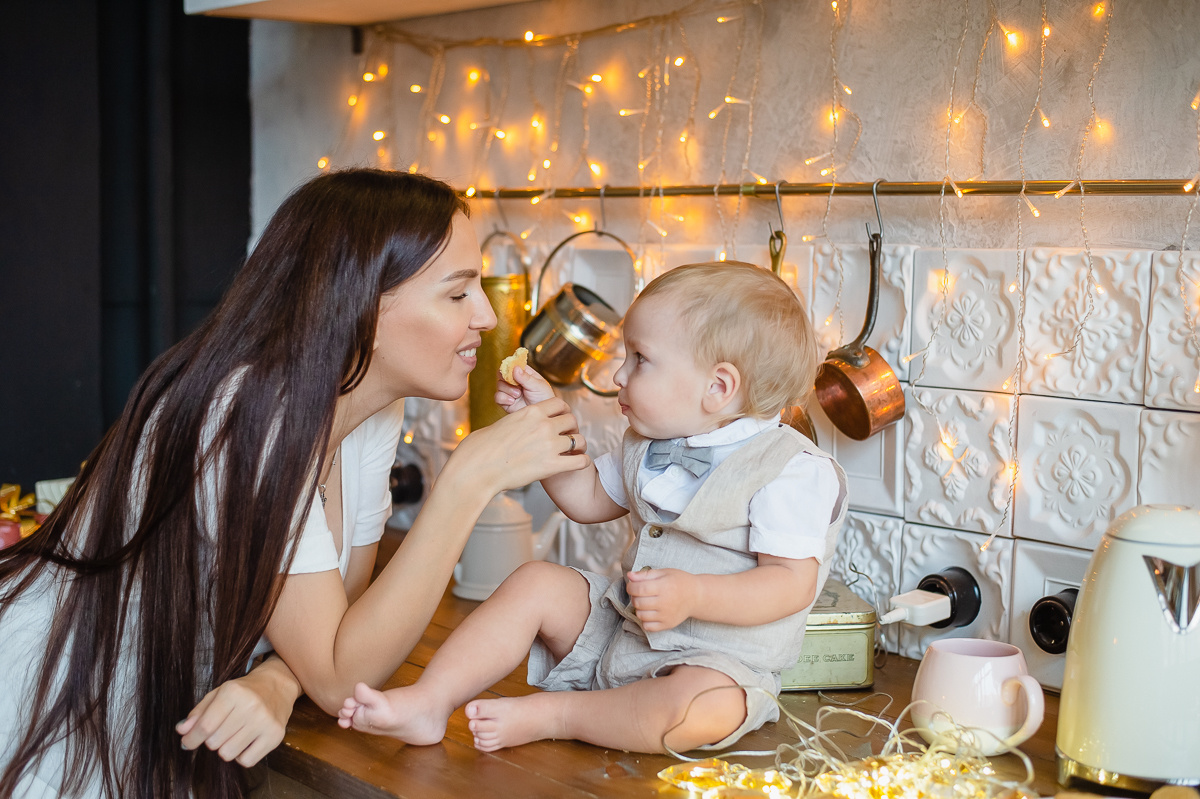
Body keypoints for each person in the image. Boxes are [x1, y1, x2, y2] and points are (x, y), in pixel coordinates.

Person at [0, 168, 588, 798]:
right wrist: (468, 480)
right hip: (55, 706)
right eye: (457, 294)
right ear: (361, 305)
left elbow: (343, 626)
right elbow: (338, 678)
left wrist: (278, 679)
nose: (487, 316)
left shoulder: (370, 406)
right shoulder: (245, 416)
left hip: (162, 719)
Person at [338, 261, 849, 754]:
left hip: (714, 661)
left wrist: (695, 594)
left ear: (717, 388)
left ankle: (558, 715)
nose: (619, 375)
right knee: (536, 582)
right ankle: (430, 701)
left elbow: (790, 584)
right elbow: (585, 497)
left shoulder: (792, 471)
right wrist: (544, 418)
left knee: (702, 709)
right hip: (623, 627)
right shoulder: (648, 444)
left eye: (640, 359)